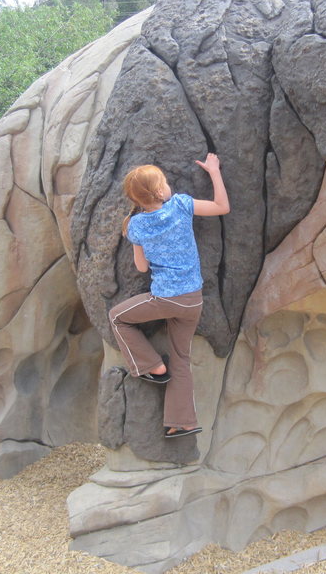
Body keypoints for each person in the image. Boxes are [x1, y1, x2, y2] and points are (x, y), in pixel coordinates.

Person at [109, 153, 230, 439]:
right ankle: (182, 422)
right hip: (193, 299)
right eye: (163, 181)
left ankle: (152, 366)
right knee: (181, 358)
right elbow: (222, 207)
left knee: (117, 317)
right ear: (160, 190)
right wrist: (214, 171)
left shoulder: (136, 226)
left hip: (164, 300)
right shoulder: (181, 205)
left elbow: (141, 267)